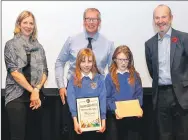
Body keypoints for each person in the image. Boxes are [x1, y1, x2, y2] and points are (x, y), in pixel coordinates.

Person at [55, 8, 114, 139]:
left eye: (94, 19)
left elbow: (112, 71)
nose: (91, 22)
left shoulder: (108, 44)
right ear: (83, 21)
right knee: (74, 133)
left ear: (99, 22)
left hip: (97, 94)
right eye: (88, 19)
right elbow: (59, 62)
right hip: (75, 91)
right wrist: (61, 86)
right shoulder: (72, 40)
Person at [145, 4, 188, 140]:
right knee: (164, 135)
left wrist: (187, 87)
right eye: (157, 18)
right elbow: (153, 71)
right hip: (161, 97)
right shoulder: (149, 44)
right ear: (154, 21)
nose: (160, 21)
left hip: (183, 96)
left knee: (185, 135)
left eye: (163, 16)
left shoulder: (184, 38)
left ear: (171, 18)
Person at [4, 10, 48, 140]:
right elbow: (14, 72)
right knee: (18, 135)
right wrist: (32, 91)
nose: (28, 26)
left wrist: (36, 90)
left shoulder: (38, 46)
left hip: (36, 96)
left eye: (31, 23)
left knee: (35, 134)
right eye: (25, 22)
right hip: (16, 96)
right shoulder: (10, 45)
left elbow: (45, 71)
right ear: (19, 24)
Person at [105, 45, 143, 140]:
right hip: (115, 118)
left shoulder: (135, 76)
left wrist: (138, 108)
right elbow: (107, 98)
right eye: (120, 59)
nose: (123, 63)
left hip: (132, 117)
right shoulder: (109, 77)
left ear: (130, 60)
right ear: (115, 60)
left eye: (126, 60)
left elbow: (139, 95)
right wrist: (115, 109)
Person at [67, 48, 106, 140]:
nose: (86, 65)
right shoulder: (73, 79)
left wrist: (103, 120)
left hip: (96, 125)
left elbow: (103, 99)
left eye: (89, 61)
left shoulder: (99, 79)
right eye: (83, 61)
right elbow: (71, 100)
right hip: (79, 124)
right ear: (78, 63)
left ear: (93, 62)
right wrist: (75, 121)